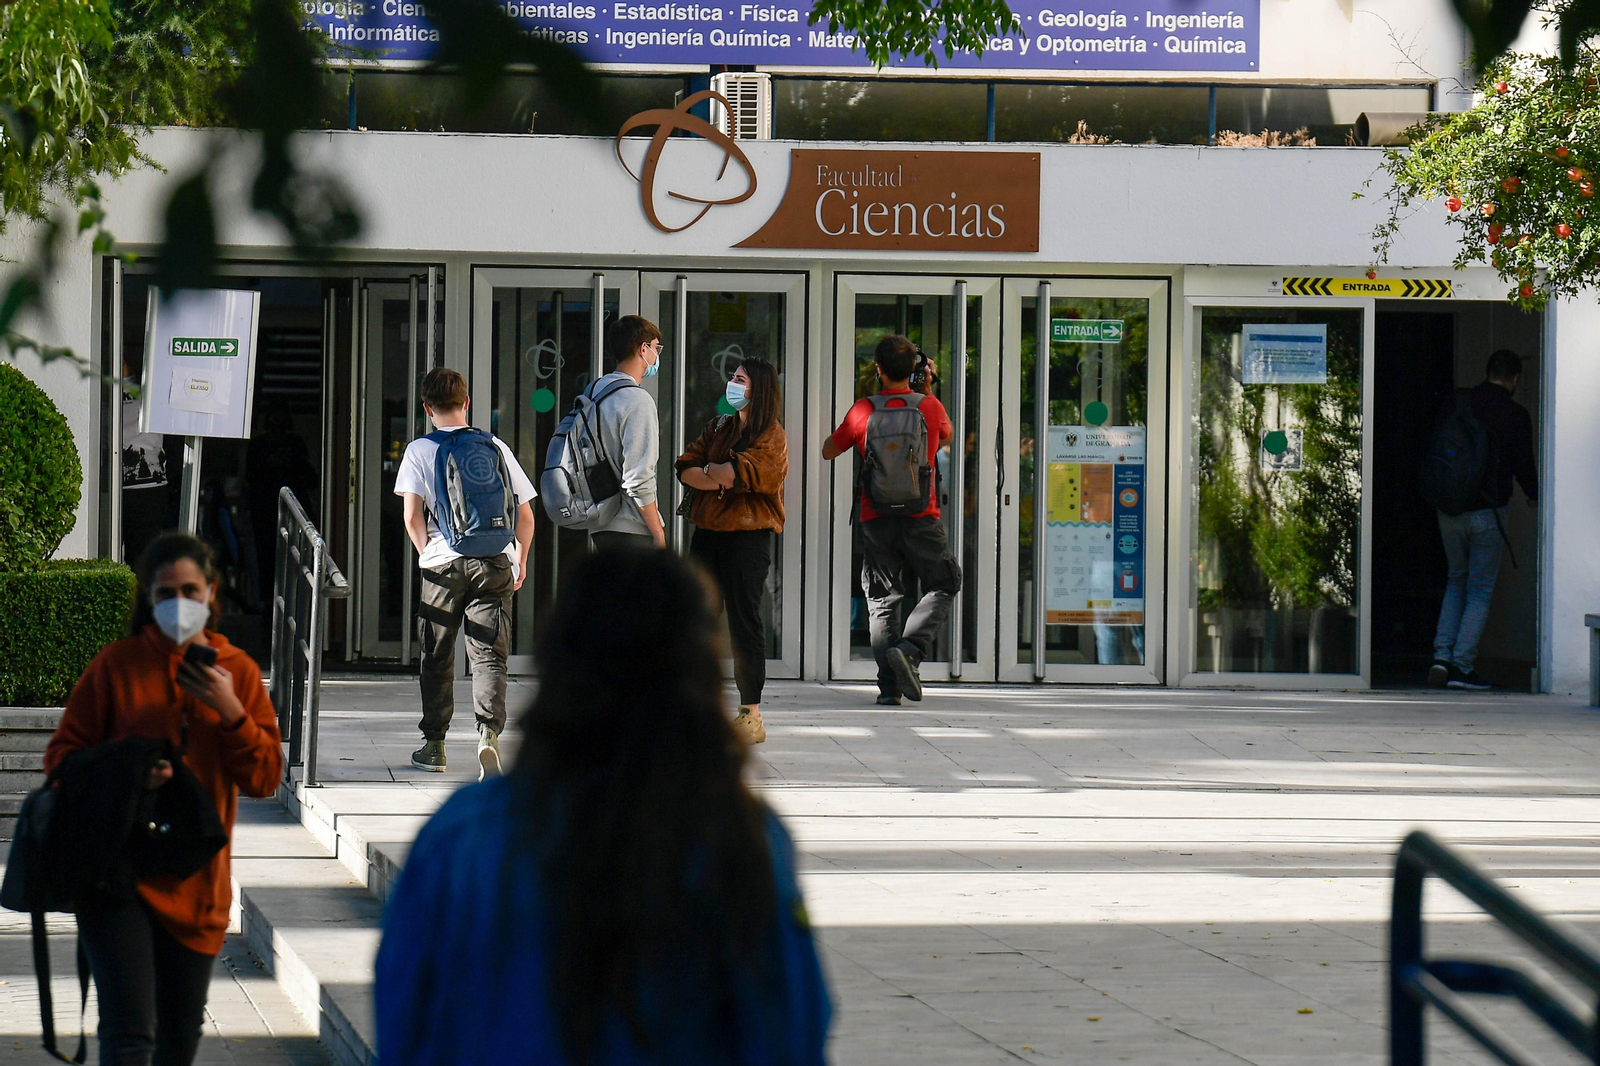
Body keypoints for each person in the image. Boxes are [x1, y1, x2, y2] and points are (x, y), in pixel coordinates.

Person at [374, 549, 832, 1066]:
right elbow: (788, 1032)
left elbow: (404, 1020)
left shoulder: (461, 837)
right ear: (699, 674)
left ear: (557, 665)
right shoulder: (739, 836)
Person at [45, 532, 283, 1066]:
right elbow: (63, 758)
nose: (180, 603)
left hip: (196, 881)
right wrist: (127, 773)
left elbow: (265, 778)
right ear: (148, 599)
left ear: (212, 593)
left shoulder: (236, 671)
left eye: (191, 591)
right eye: (165, 593)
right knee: (128, 1037)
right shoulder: (117, 666)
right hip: (116, 875)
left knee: (177, 1041)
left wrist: (230, 713)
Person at [395, 368, 537, 777]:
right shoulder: (492, 444)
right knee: (489, 655)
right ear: (467, 403)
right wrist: (520, 559)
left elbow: (411, 515)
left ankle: (435, 746)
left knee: (437, 654)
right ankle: (488, 735)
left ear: (427, 408)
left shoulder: (419, 450)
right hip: (495, 558)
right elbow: (525, 514)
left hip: (443, 560)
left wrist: (429, 554)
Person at [822, 334, 961, 705]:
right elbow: (946, 437)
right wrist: (927, 389)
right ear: (916, 369)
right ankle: (911, 650)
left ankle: (889, 690)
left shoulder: (862, 409)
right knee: (944, 582)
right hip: (921, 514)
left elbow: (828, 450)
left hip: (876, 514)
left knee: (882, 600)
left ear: (878, 369)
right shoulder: (929, 407)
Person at [675, 357, 788, 745]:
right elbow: (686, 468)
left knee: (743, 621)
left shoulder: (772, 436)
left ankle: (750, 714)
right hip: (707, 534)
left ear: (759, 389)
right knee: (696, 619)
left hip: (747, 538)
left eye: (739, 379)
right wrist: (714, 472)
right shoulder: (720, 426)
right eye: (732, 377)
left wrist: (713, 473)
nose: (732, 383)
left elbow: (735, 474)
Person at [1429, 348, 1539, 691]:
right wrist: (1534, 495)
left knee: (1455, 580)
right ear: (1515, 379)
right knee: (1479, 590)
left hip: (1450, 510)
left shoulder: (1458, 402)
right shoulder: (1515, 414)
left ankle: (1441, 658)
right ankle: (1462, 666)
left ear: (1487, 371)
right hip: (1489, 513)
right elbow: (1524, 465)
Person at [589, 315, 667, 550]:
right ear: (643, 349)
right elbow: (638, 478)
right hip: (632, 527)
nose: (656, 355)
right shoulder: (637, 399)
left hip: (601, 522)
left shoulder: (596, 390)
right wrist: (657, 532)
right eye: (656, 348)